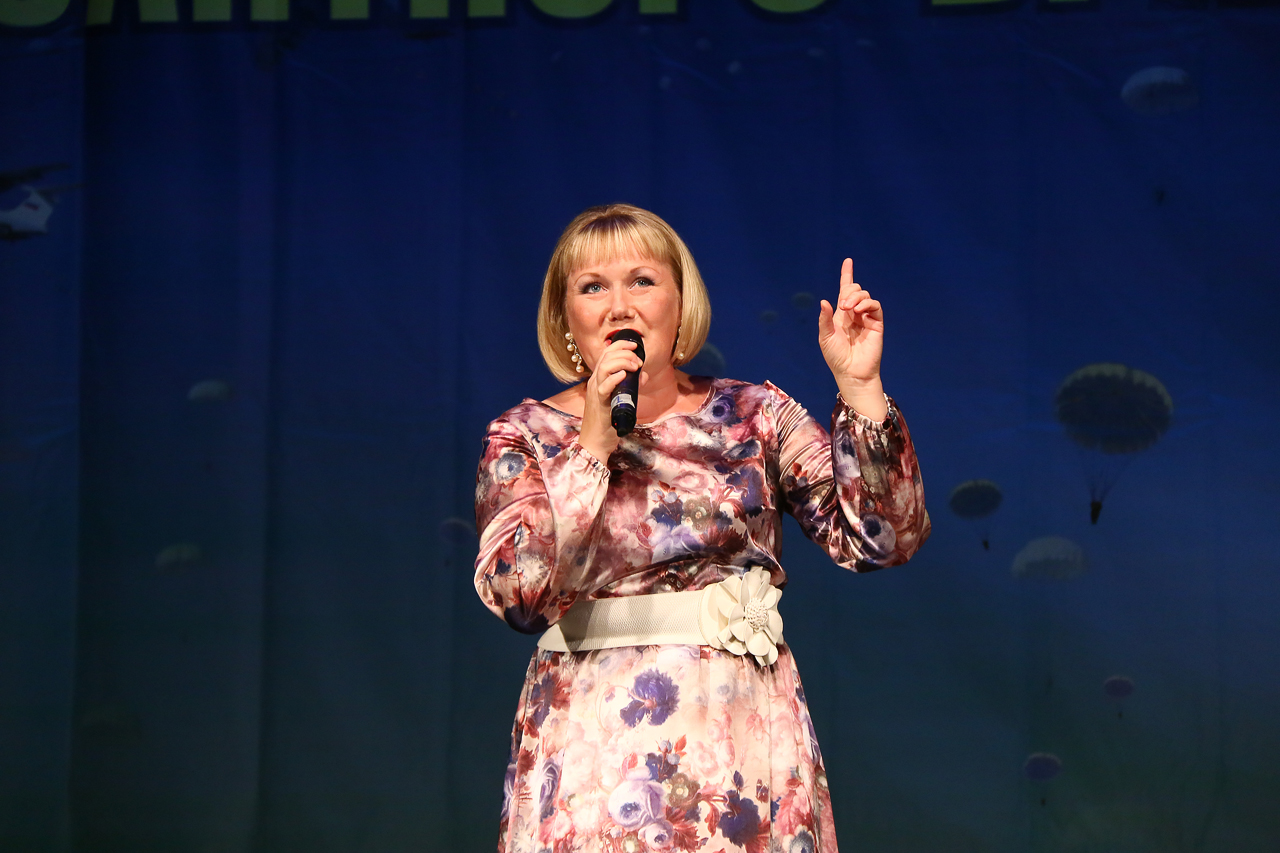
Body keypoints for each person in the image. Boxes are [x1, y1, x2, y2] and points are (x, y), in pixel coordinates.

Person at [473, 204, 929, 853]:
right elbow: (517, 594)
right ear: (565, 317)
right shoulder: (525, 435)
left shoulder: (756, 416)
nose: (620, 306)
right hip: (591, 752)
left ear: (680, 302)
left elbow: (884, 539)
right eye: (593, 287)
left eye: (642, 281)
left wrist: (860, 389)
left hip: (739, 742)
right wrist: (593, 445)